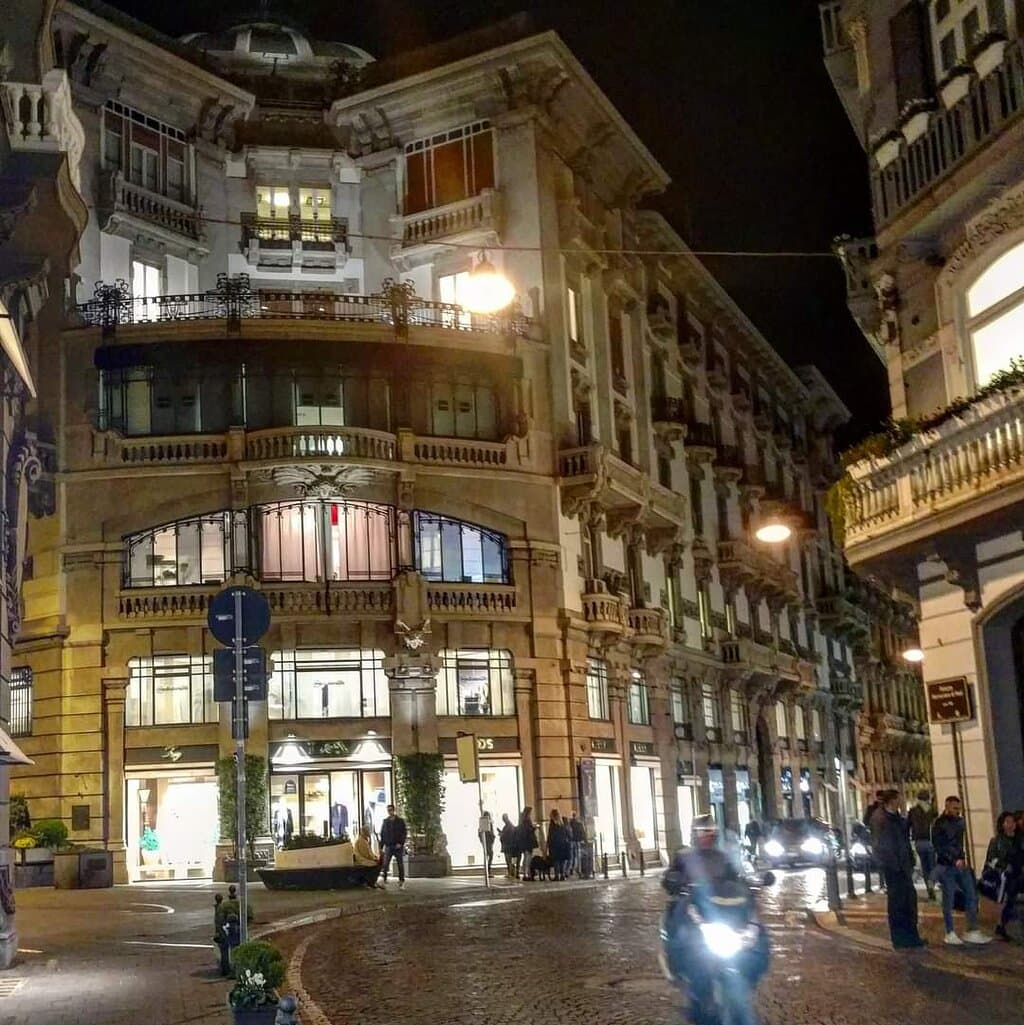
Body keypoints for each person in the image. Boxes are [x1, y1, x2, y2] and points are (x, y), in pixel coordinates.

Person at [661, 815, 770, 1025]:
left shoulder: (723, 857)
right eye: (702, 833)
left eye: (710, 833)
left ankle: (755, 967)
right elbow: (670, 878)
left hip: (720, 912)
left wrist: (751, 885)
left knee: (756, 932)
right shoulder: (684, 856)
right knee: (681, 933)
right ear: (694, 835)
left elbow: (737, 879)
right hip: (694, 911)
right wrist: (675, 882)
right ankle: (679, 967)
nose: (706, 837)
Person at [932, 794, 992, 945]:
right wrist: (954, 859)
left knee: (971, 895)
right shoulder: (939, 824)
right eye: (955, 808)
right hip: (947, 865)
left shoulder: (960, 821)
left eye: (959, 808)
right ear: (947, 807)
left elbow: (958, 844)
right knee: (949, 898)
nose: (957, 811)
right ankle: (950, 931)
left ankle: (971, 929)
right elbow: (939, 846)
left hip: (959, 863)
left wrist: (961, 858)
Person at [874, 789, 926, 949]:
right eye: (899, 799)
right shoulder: (881, 818)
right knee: (898, 903)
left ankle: (911, 935)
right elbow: (882, 845)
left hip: (903, 865)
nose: (901, 802)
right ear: (892, 801)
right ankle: (901, 938)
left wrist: (909, 861)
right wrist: (894, 864)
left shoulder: (896, 817)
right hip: (894, 867)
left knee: (909, 901)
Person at [984, 811, 1022, 941]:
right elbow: (991, 859)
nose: (1011, 825)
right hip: (1004, 876)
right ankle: (1002, 924)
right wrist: (1004, 866)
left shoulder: (1020, 840)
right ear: (1002, 824)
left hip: (1019, 873)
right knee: (1007, 893)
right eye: (1007, 822)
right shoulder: (997, 841)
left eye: (1013, 822)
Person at [907, 789, 937, 900]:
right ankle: (932, 885)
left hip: (919, 842)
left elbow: (907, 826)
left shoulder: (913, 811)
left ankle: (930, 889)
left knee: (925, 867)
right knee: (933, 866)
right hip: (931, 841)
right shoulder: (932, 810)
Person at [378, 804, 407, 890]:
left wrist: (401, 843)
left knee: (400, 864)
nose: (389, 812)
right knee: (386, 864)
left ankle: (401, 881)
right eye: (388, 810)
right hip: (389, 845)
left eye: (391, 810)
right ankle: (384, 880)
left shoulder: (400, 821)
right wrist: (381, 846)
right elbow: (382, 834)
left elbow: (404, 833)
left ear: (394, 810)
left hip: (397, 846)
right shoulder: (385, 821)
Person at [547, 809, 571, 881]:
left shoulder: (552, 824)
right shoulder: (563, 822)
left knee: (556, 861)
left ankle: (557, 875)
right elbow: (568, 833)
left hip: (555, 845)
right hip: (563, 844)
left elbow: (550, 835)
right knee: (562, 861)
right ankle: (562, 875)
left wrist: (548, 844)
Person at [517, 807, 538, 880]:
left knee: (526, 857)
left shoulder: (522, 820)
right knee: (528, 858)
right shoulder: (527, 821)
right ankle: (527, 874)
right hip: (528, 842)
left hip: (524, 842)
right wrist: (534, 828)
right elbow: (528, 831)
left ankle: (525, 873)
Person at [213, 893, 230, 977]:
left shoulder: (218, 908)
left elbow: (218, 922)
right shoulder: (223, 908)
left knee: (224, 952)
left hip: (222, 932)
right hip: (225, 931)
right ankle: (226, 970)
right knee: (225, 951)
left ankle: (225, 970)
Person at [499, 813, 519, 878]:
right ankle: (512, 872)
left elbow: (506, 836)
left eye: (503, 818)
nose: (503, 820)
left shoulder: (508, 827)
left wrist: (501, 834)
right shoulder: (510, 826)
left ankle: (511, 873)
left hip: (508, 846)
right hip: (510, 846)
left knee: (509, 860)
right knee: (511, 860)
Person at [569, 811, 587, 877]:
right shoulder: (579, 824)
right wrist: (585, 840)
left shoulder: (569, 824)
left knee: (572, 856)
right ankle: (578, 869)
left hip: (571, 841)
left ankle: (571, 868)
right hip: (578, 841)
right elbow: (583, 832)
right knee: (577, 856)